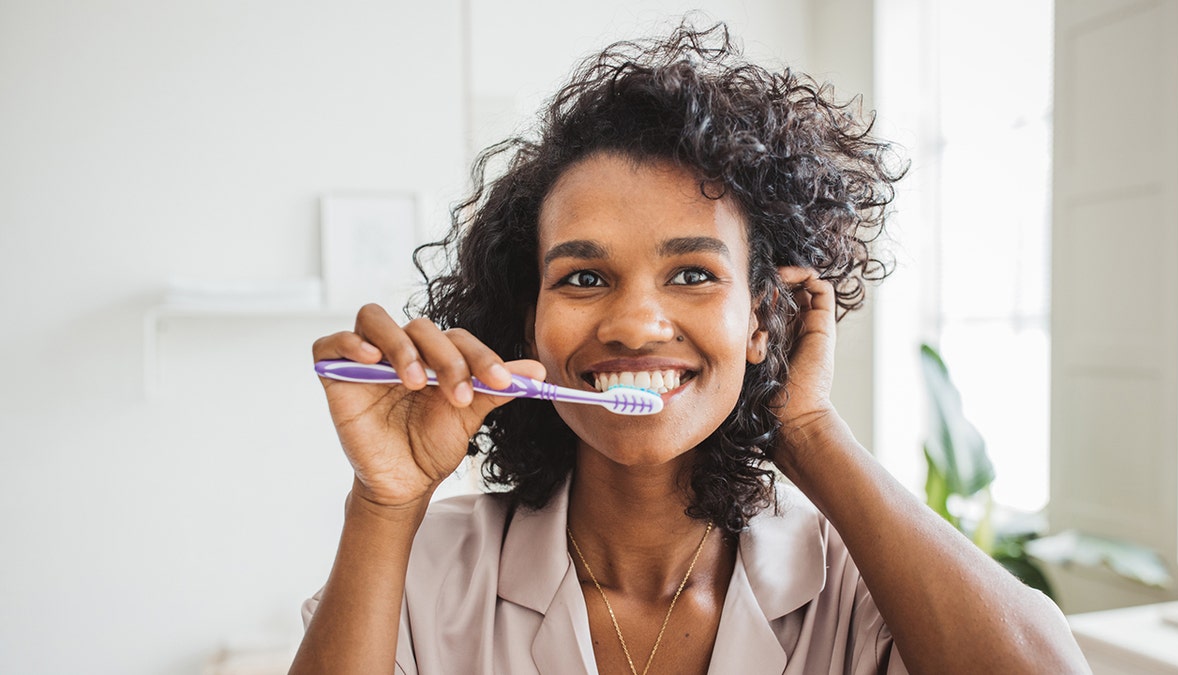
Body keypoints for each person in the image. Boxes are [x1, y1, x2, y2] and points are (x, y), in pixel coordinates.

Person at [290, 22, 1090, 675]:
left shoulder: (856, 583)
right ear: (528, 323)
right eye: (583, 277)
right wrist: (384, 504)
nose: (636, 323)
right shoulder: (425, 568)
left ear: (761, 320)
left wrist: (809, 433)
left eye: (693, 272)